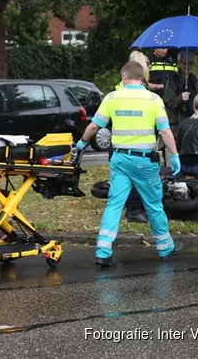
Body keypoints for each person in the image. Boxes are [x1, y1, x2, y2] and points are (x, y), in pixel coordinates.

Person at [73, 61, 185, 266]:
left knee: (115, 204)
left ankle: (103, 250)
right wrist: (175, 155)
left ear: (124, 77)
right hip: (144, 162)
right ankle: (165, 248)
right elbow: (165, 131)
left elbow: (94, 126)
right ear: (142, 78)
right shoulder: (153, 99)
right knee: (153, 205)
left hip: (120, 160)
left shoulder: (112, 98)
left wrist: (81, 144)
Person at [110, 50, 151, 223]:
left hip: (121, 142)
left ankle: (133, 208)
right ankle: (134, 211)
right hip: (134, 143)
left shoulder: (118, 89)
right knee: (136, 178)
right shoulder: (141, 91)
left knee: (126, 179)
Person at [164, 50, 198, 146]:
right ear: (179, 64)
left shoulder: (195, 81)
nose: (188, 66)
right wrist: (180, 98)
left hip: (193, 122)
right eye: (184, 63)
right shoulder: (172, 82)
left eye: (190, 63)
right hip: (178, 125)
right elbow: (169, 103)